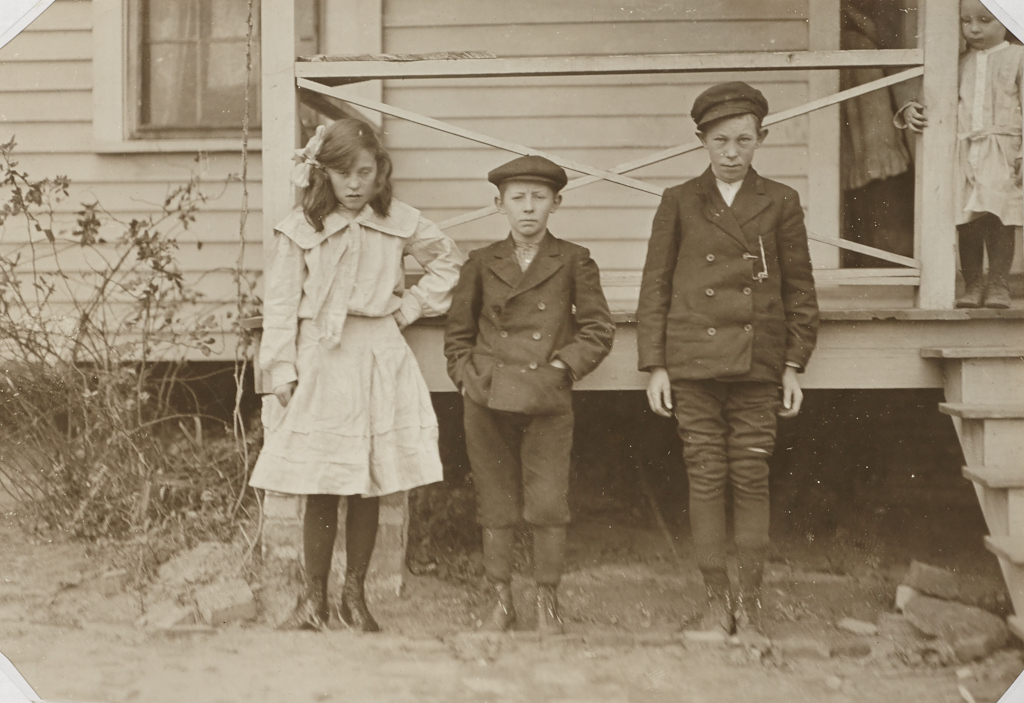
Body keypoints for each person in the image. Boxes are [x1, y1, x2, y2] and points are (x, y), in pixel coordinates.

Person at [250, 118, 464, 631]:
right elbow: (280, 303)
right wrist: (281, 367)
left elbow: (449, 263)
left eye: (364, 172)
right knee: (321, 480)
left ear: (379, 173)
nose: (353, 183)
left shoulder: (398, 221)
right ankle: (314, 600)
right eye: (342, 172)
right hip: (320, 358)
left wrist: (406, 309)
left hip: (376, 354)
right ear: (324, 174)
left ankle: (355, 597)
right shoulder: (301, 228)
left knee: (369, 480)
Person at [636, 82, 819, 637]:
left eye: (744, 139)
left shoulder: (781, 200)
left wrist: (793, 364)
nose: (733, 152)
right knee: (706, 477)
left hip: (758, 363)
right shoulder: (679, 200)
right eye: (721, 141)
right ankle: (717, 599)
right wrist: (656, 365)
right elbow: (656, 287)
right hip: (692, 363)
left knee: (751, 476)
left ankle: (753, 601)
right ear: (702, 141)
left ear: (761, 138)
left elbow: (800, 290)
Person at [444, 155, 614, 634]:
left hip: (546, 396)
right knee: (496, 500)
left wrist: (564, 365)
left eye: (539, 198)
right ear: (499, 205)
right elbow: (457, 334)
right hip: (488, 395)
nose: (528, 209)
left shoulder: (574, 259)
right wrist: (467, 376)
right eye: (517, 198)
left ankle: (548, 603)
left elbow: (599, 329)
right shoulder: (480, 262)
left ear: (555, 203)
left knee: (547, 501)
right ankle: (501, 601)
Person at [896, 0, 1022, 308]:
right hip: (963, 149)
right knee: (966, 218)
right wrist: (911, 108)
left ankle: (999, 284)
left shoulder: (1018, 58)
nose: (974, 28)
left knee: (999, 214)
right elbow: (928, 97)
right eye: (966, 21)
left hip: (1003, 149)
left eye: (984, 20)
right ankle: (973, 282)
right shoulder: (958, 62)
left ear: (1007, 21)